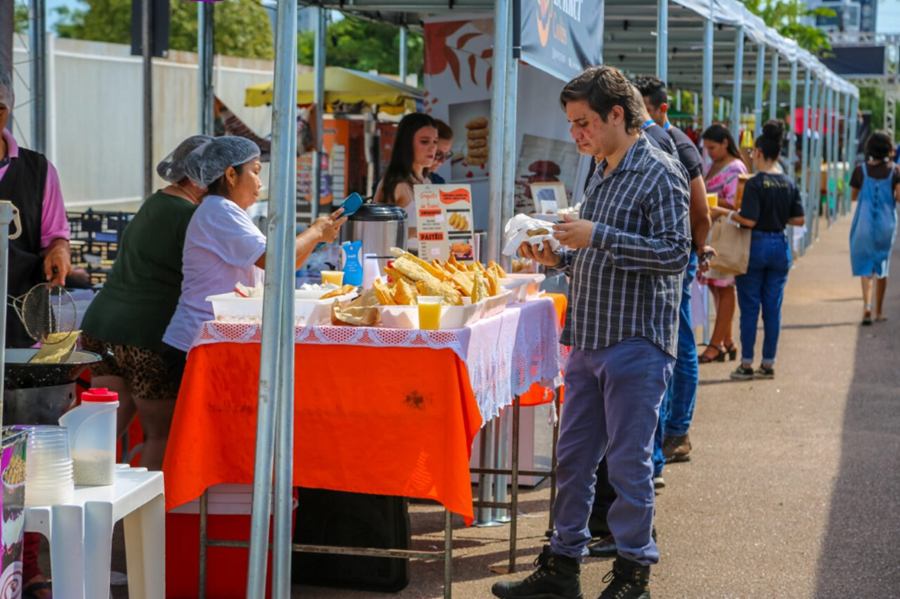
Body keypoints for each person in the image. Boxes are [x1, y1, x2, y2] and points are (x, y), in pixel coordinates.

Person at [492, 65, 690, 599]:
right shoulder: (602, 167)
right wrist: (559, 256)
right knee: (573, 459)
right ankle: (562, 565)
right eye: (573, 123)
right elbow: (597, 257)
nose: (576, 133)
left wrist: (595, 235)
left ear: (616, 115)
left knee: (627, 467)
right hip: (590, 336)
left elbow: (676, 254)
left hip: (636, 340)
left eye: (583, 123)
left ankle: (633, 575)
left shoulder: (660, 170)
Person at [162, 137, 347, 385]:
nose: (260, 182)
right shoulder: (218, 210)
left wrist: (316, 238)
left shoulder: (229, 212)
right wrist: (314, 232)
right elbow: (273, 260)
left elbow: (283, 268)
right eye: (256, 171)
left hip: (215, 338)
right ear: (230, 175)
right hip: (197, 340)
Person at [80, 135, 212, 470]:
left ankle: (83, 514)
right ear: (200, 176)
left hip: (102, 327)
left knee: (101, 433)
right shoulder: (191, 216)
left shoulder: (155, 203)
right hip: (147, 335)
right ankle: (144, 523)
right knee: (160, 434)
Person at [0, 65, 69, 599]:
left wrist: (58, 255)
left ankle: (26, 563)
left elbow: (56, 238)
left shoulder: (37, 170)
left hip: (21, 326)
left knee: (19, 447)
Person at [634, 75, 713, 476]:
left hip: (675, 262)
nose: (636, 118)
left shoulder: (678, 145)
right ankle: (665, 440)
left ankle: (676, 432)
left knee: (677, 345)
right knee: (669, 345)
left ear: (661, 109)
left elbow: (701, 213)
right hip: (663, 261)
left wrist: (695, 254)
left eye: (642, 109)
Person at [711, 120, 806, 381]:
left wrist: (727, 214)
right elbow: (799, 220)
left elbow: (749, 220)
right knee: (773, 309)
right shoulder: (789, 182)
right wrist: (777, 216)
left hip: (754, 247)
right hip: (779, 247)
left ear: (760, 153)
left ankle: (746, 363)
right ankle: (768, 363)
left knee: (750, 308)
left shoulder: (754, 183)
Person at [698, 124, 748, 363]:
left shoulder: (735, 167)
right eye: (706, 148)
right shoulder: (714, 165)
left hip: (724, 232)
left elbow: (735, 202)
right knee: (716, 286)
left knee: (724, 286)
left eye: (712, 147)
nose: (709, 152)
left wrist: (710, 201)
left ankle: (717, 344)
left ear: (725, 144)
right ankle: (726, 341)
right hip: (712, 231)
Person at [848, 130, 900, 324]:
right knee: (882, 266)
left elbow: (853, 196)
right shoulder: (895, 170)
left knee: (865, 266)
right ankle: (879, 310)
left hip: (863, 223)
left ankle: (866, 305)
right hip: (886, 224)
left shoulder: (860, 170)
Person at [374, 113, 438, 242]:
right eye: (424, 142)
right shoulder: (396, 183)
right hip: (398, 260)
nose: (432, 148)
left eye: (435, 141)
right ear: (407, 143)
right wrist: (416, 231)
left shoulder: (427, 181)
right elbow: (378, 229)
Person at [430, 119, 454, 184]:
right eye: (438, 153)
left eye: (446, 154)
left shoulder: (439, 182)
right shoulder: (401, 181)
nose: (443, 161)